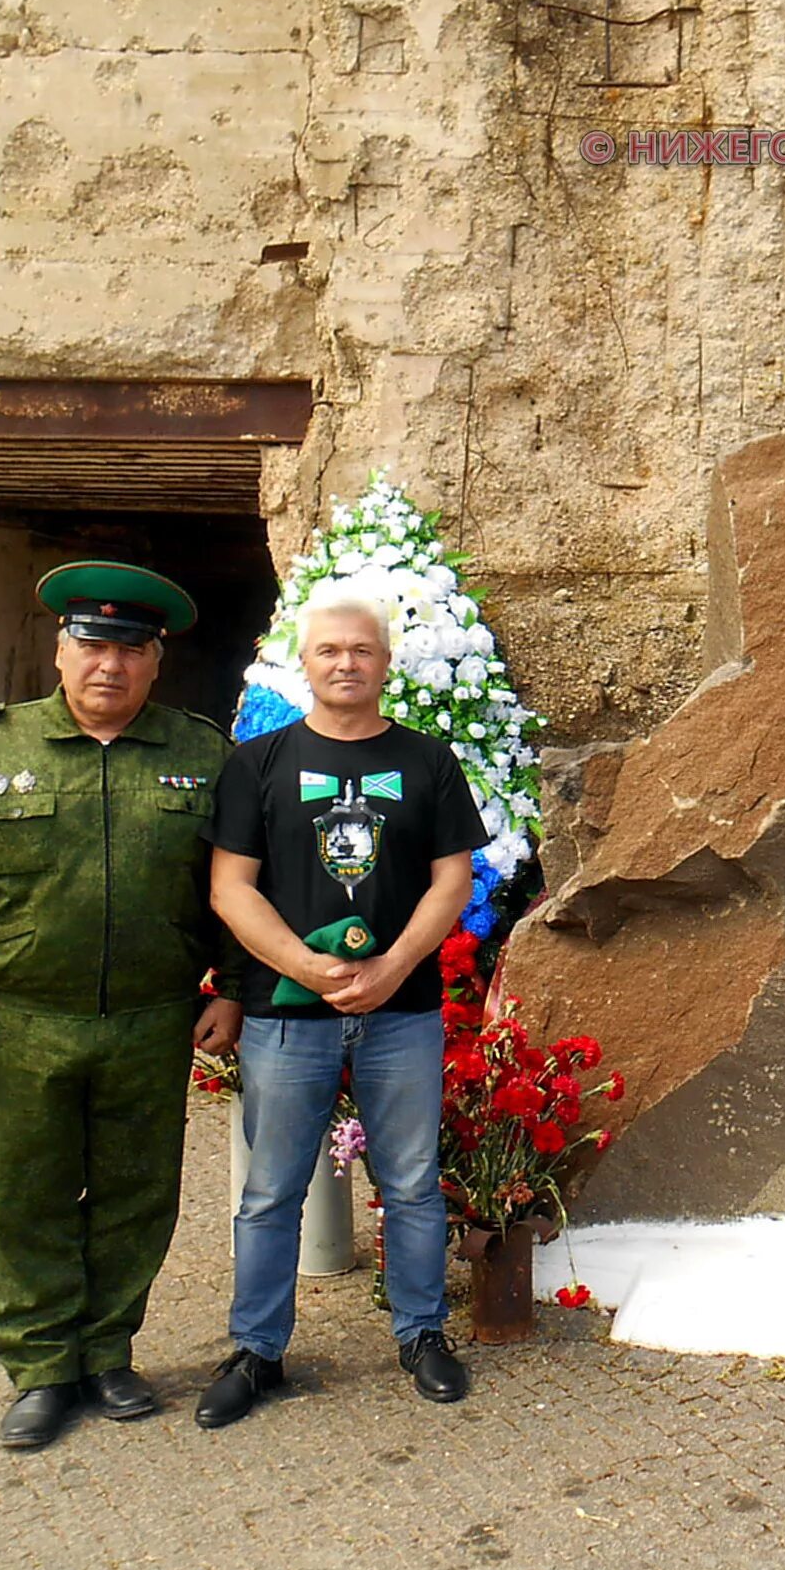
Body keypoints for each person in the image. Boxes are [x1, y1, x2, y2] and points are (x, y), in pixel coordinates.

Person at [0, 562, 239, 1450]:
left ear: (156, 661)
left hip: (153, 1020)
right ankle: (43, 1367)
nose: (108, 665)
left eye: (130, 648)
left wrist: (233, 990)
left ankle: (108, 1351)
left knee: (136, 1191)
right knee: (25, 1195)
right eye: (91, 643)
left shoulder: (202, 756)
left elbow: (236, 887)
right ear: (59, 649)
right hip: (27, 1021)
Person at [196, 586, 487, 1428]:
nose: (346, 663)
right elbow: (230, 888)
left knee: (411, 1184)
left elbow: (452, 880)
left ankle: (423, 1333)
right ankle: (257, 1350)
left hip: (403, 1007)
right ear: (306, 663)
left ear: (386, 664)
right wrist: (308, 968)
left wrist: (395, 963)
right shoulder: (258, 764)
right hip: (288, 1015)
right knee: (269, 1192)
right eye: (330, 651)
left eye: (362, 650)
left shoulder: (429, 762)